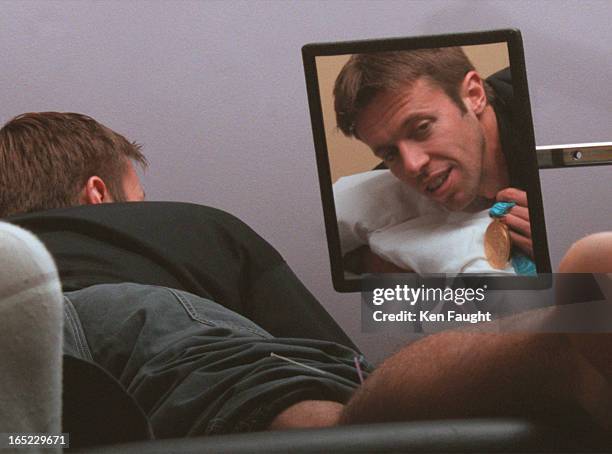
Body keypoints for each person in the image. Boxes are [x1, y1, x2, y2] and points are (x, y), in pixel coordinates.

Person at [1, 112, 611, 445]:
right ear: (99, 194)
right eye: (140, 197)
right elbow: (334, 362)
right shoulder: (192, 226)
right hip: (135, 319)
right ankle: (566, 337)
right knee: (333, 417)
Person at [333, 48, 533, 265]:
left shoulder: (546, 111)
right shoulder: (398, 179)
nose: (412, 165)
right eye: (390, 153)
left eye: (422, 128)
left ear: (474, 95)